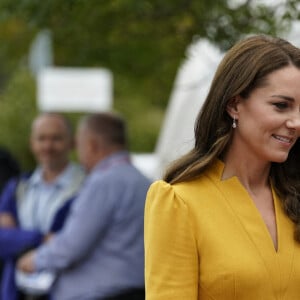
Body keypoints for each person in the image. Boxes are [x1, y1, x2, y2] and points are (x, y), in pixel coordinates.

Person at [144, 34, 300, 299]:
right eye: (281, 105)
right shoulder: (179, 202)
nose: (296, 122)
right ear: (234, 104)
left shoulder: (293, 194)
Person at [17, 112, 151, 300]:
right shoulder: (145, 182)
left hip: (103, 293)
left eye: (78, 146)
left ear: (92, 145)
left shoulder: (103, 182)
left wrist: (34, 260)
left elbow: (71, 246)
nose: (79, 156)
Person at [0, 113, 85, 300]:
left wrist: (19, 238)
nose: (48, 146)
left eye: (56, 138)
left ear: (72, 143)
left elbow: (77, 243)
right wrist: (42, 238)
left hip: (66, 290)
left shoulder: (87, 186)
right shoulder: (18, 187)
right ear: (32, 143)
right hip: (18, 290)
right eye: (41, 138)